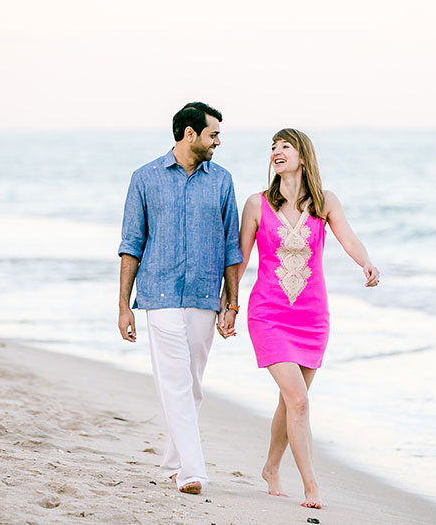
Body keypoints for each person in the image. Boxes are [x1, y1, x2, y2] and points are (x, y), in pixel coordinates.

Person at [236, 128, 379, 509]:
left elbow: (348, 237)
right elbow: (240, 259)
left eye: (285, 146)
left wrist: (365, 262)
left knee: (291, 402)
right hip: (268, 314)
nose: (276, 151)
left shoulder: (325, 201)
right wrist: (228, 304)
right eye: (273, 147)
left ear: (303, 155)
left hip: (313, 317)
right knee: (298, 401)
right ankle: (312, 486)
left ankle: (270, 467)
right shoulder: (256, 204)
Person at [117, 102, 242, 496]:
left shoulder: (222, 181)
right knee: (174, 381)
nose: (218, 141)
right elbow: (131, 244)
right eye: (213, 134)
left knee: (192, 384)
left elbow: (231, 247)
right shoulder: (145, 178)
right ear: (190, 134)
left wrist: (231, 302)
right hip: (160, 292)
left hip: (205, 294)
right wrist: (123, 305)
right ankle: (193, 470)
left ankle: (172, 461)